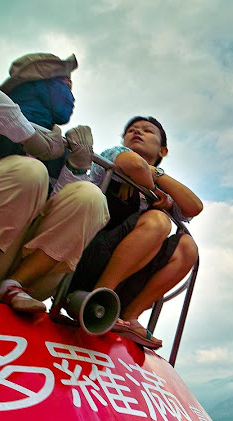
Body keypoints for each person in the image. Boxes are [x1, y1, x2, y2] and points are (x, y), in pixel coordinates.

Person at [0, 53, 109, 313]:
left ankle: (15, 284)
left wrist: (77, 167)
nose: (72, 97)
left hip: (24, 277)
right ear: (37, 82)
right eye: (65, 85)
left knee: (91, 196)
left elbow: (51, 217)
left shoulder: (61, 148)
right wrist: (28, 135)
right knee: (30, 170)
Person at [69, 116, 202, 349]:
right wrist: (155, 193)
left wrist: (157, 178)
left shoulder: (160, 185)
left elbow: (194, 207)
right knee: (159, 221)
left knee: (187, 247)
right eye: (131, 130)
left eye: (147, 130)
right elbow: (135, 166)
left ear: (163, 150)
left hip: (129, 274)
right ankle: (98, 297)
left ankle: (130, 315)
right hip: (87, 258)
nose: (137, 132)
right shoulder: (114, 157)